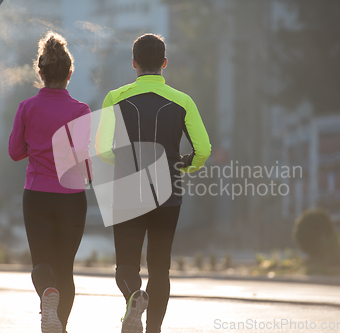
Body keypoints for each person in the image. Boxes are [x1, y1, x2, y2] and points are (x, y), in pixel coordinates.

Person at [97, 33, 211, 333]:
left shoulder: (115, 98)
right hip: (168, 193)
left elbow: (102, 149)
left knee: (126, 264)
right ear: (164, 63)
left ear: (133, 63)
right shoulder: (183, 101)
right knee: (160, 266)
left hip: (126, 192)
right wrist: (184, 167)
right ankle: (153, 330)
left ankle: (133, 298)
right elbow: (204, 150)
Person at [9, 31, 92, 333]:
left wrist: (37, 146)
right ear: (70, 72)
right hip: (71, 198)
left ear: (40, 72)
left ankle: (47, 300)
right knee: (65, 268)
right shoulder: (81, 110)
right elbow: (85, 161)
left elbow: (15, 152)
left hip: (37, 196)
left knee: (42, 264)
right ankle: (60, 325)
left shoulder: (27, 108)